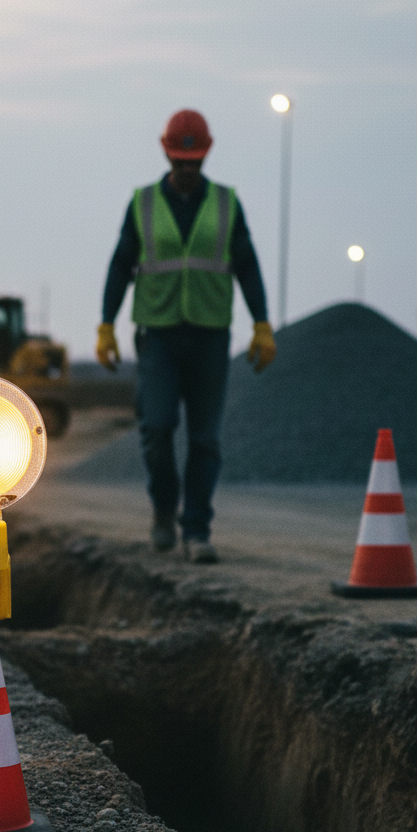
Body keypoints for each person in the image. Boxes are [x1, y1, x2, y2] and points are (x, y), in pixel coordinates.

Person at [96, 109, 276, 562]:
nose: (187, 171)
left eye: (194, 163)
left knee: (204, 440)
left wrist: (261, 322)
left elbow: (247, 264)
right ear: (166, 154)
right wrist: (106, 324)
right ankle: (163, 510)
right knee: (157, 428)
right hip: (157, 334)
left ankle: (196, 531)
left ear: (206, 156)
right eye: (179, 162)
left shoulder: (226, 203)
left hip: (210, 335)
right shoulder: (142, 203)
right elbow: (121, 264)